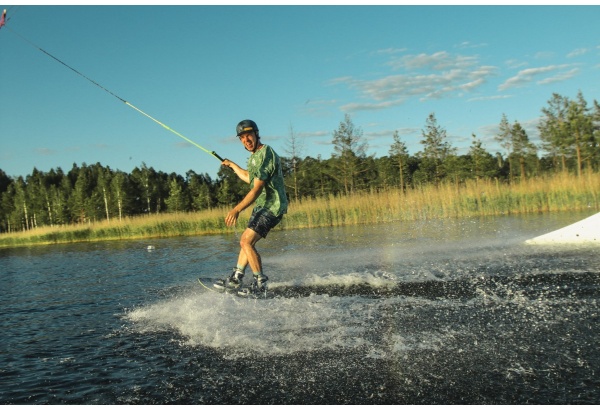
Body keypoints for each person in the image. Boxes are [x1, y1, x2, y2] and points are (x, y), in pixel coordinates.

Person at [214, 119, 288, 295]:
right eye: (242, 138)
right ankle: (236, 278)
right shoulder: (254, 157)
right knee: (246, 242)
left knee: (246, 241)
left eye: (249, 135)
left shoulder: (266, 153)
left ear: (256, 134)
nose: (246, 140)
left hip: (273, 206)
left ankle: (260, 283)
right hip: (263, 205)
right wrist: (232, 165)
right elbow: (250, 178)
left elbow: (256, 188)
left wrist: (236, 209)